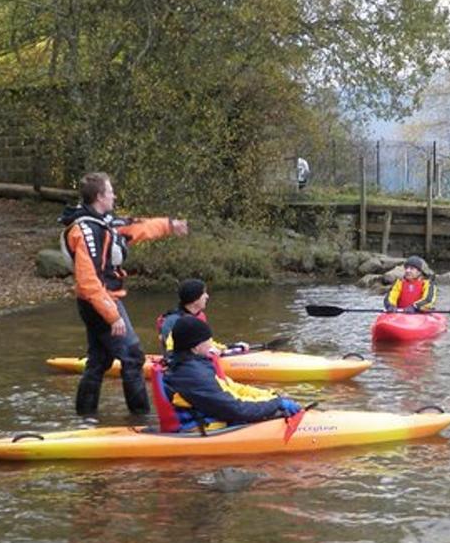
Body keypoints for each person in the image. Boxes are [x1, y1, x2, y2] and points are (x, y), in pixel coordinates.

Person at [59, 171, 189, 418]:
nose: (114, 195)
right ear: (99, 196)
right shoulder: (85, 231)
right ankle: (140, 418)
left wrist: (170, 225)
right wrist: (112, 316)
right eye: (110, 191)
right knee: (132, 356)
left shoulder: (103, 221)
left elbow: (136, 227)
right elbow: (88, 282)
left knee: (100, 360)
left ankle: (85, 417)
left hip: (100, 300)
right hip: (99, 301)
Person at [162, 316, 300, 428]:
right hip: (204, 428)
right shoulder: (193, 374)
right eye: (207, 341)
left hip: (213, 417)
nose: (211, 345)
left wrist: (271, 396)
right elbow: (236, 409)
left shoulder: (195, 365)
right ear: (195, 348)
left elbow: (232, 388)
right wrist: (275, 405)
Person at [156, 278, 248, 356]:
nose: (207, 296)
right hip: (180, 367)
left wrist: (233, 346)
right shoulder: (173, 321)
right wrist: (206, 353)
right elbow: (173, 353)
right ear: (195, 298)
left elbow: (207, 343)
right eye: (204, 293)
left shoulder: (199, 316)